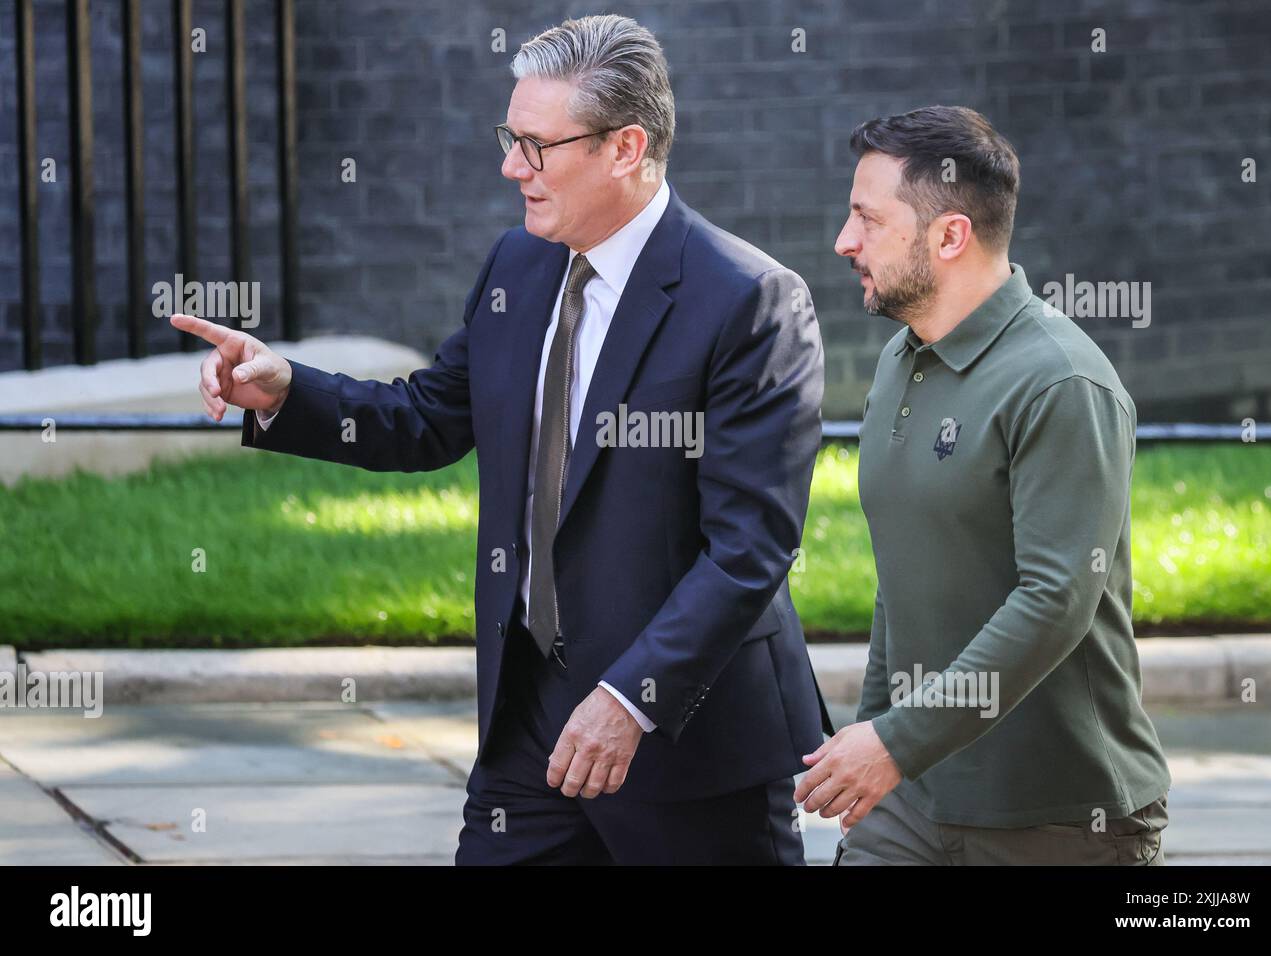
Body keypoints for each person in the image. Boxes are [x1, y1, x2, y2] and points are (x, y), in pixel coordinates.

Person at [174, 14, 832, 865]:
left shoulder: (749, 301)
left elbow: (749, 548)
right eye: (508, 137)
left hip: (685, 741)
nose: (509, 166)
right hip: (529, 728)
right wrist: (288, 388)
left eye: (535, 145)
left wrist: (629, 700)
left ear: (625, 147)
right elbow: (431, 417)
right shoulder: (517, 267)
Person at [799, 105, 1171, 865]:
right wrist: (875, 741)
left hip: (1060, 818)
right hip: (910, 799)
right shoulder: (902, 360)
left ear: (949, 235)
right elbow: (901, 579)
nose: (844, 241)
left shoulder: (1062, 382)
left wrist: (894, 742)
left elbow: (1054, 601)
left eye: (867, 219)